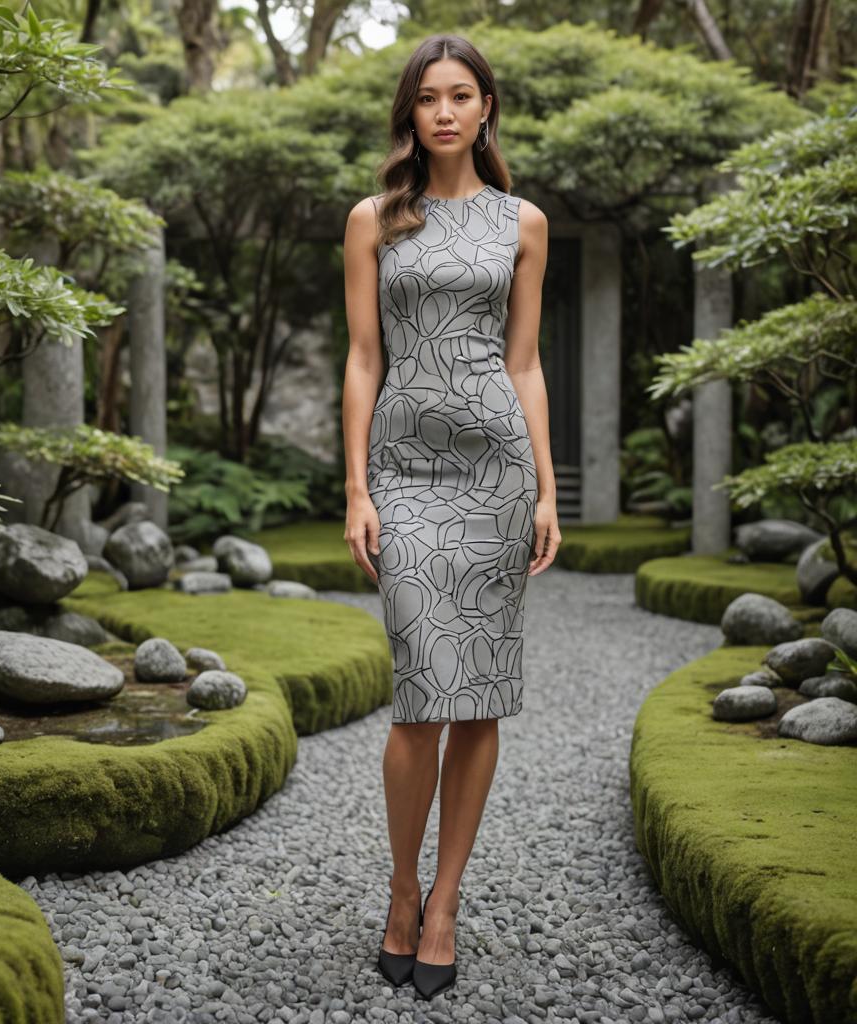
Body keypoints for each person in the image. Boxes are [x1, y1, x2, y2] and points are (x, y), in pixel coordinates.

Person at [340, 33, 561, 999]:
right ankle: (398, 888)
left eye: (460, 95)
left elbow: (525, 363)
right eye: (427, 96)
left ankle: (445, 902)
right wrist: (355, 487)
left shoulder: (524, 223)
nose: (443, 111)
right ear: (411, 112)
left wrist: (547, 488)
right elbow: (361, 360)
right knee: (421, 692)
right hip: (405, 470)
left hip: (497, 471)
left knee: (478, 695)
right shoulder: (374, 219)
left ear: (485, 109)